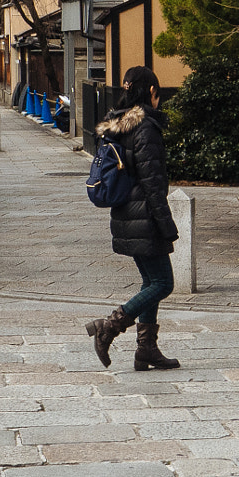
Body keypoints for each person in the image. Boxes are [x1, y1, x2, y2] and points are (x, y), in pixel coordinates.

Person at [84, 66, 181, 371]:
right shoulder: (146, 127)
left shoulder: (118, 123)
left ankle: (147, 350)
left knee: (150, 280)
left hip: (126, 212)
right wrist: (166, 224)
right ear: (151, 91)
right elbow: (153, 182)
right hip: (145, 215)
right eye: (157, 91)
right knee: (163, 282)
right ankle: (109, 326)